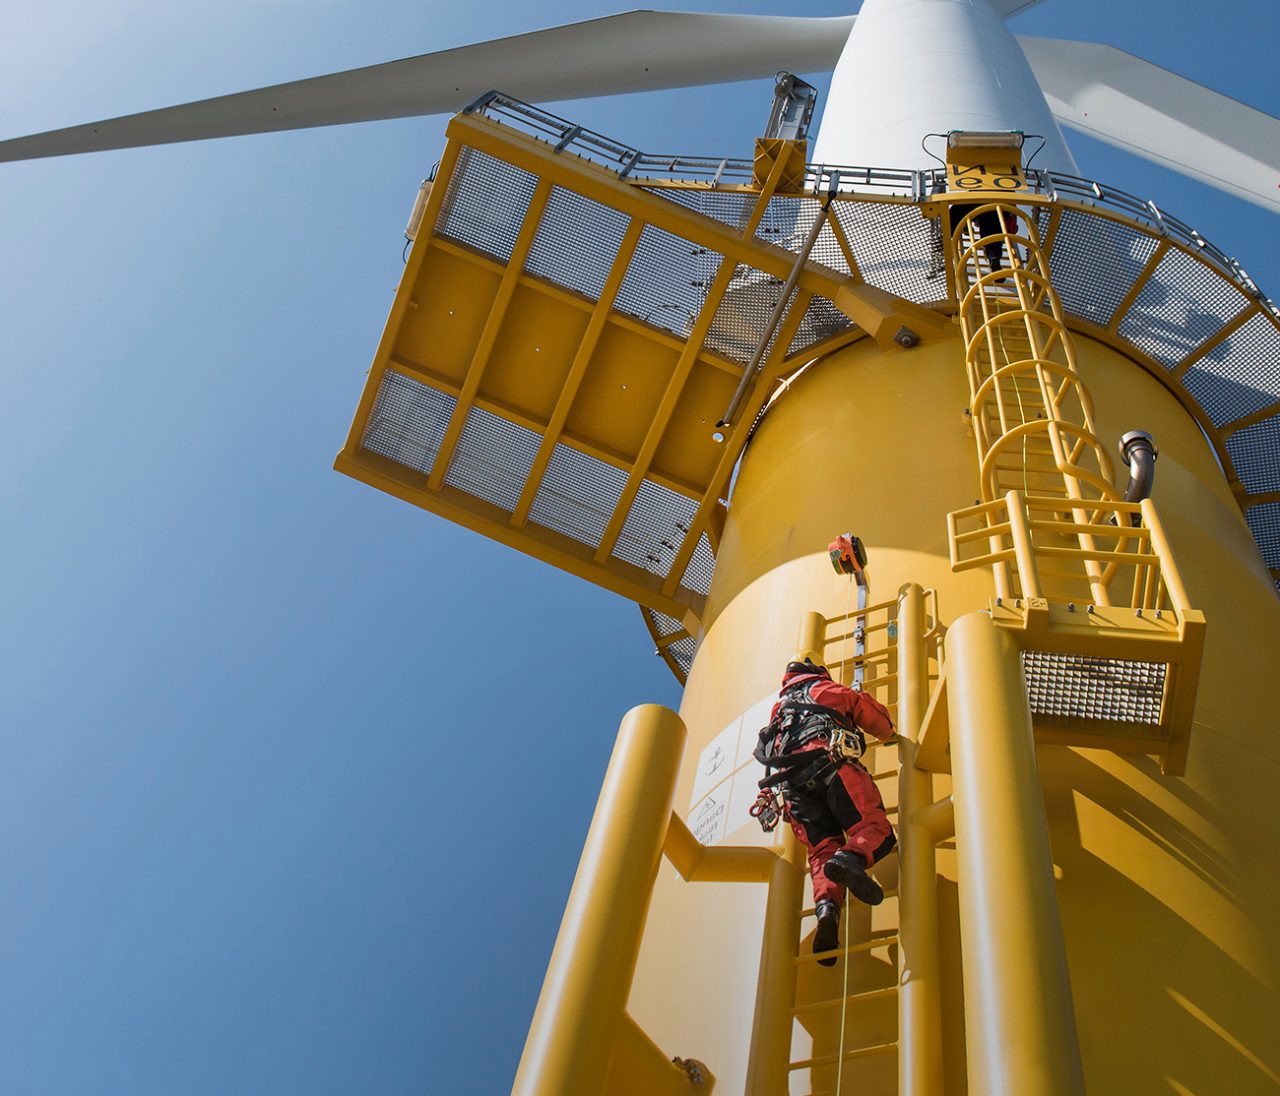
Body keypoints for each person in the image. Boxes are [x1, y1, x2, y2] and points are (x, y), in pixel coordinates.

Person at [754, 657, 897, 966]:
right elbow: (865, 711)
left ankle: (826, 911)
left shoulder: (778, 713)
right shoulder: (823, 689)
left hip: (793, 791)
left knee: (821, 852)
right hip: (831, 766)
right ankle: (851, 858)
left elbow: (767, 753)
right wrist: (890, 733)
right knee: (874, 830)